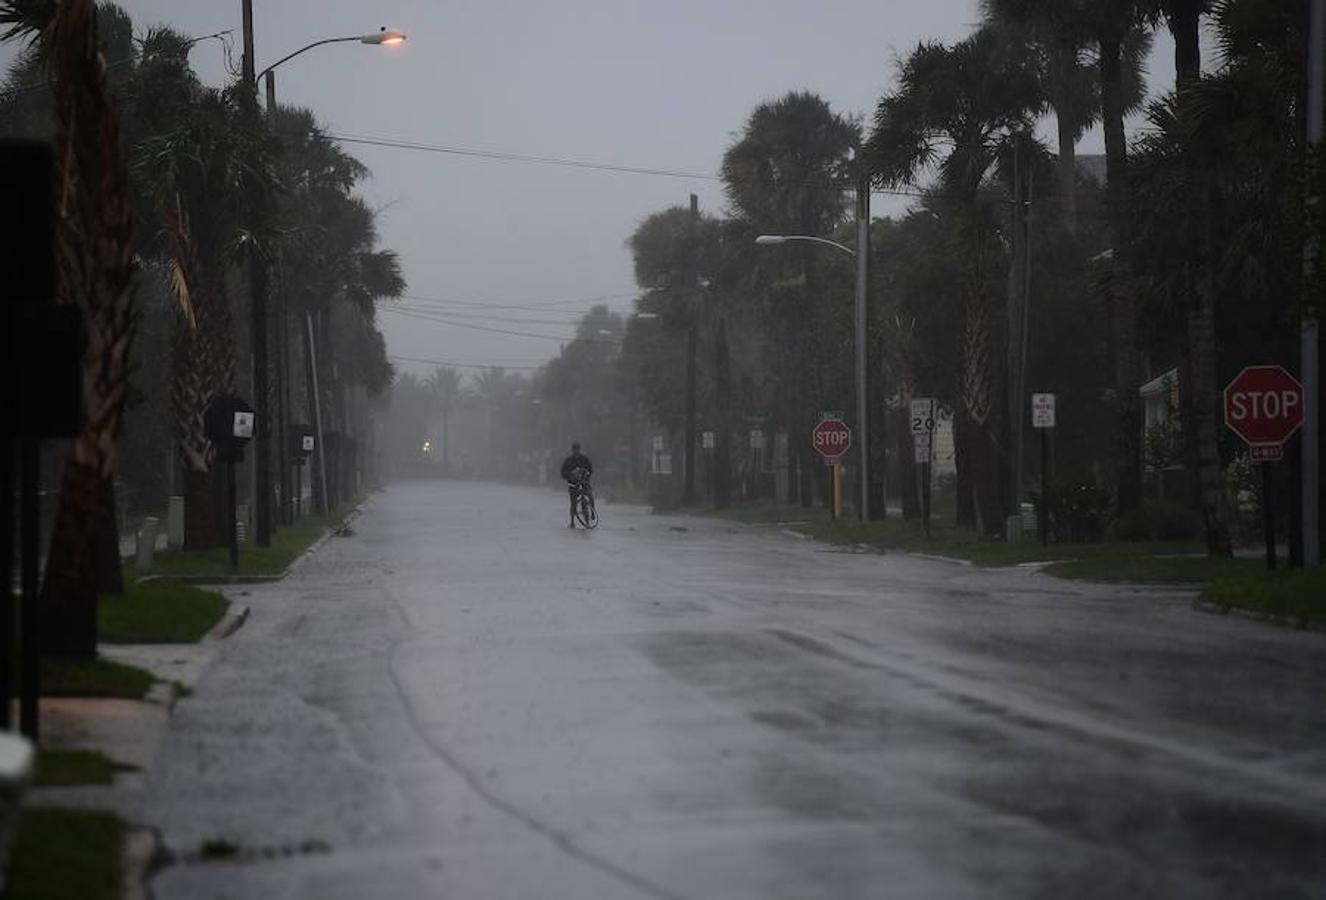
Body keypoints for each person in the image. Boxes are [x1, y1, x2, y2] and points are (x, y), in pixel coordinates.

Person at [559, 442, 593, 527]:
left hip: (583, 482)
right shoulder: (569, 461)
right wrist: (570, 475)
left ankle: (592, 512)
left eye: (577, 450)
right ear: (573, 450)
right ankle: (572, 521)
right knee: (573, 503)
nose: (576, 451)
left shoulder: (584, 459)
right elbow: (563, 473)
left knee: (589, 497)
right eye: (575, 450)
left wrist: (586, 475)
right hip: (573, 484)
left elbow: (590, 470)